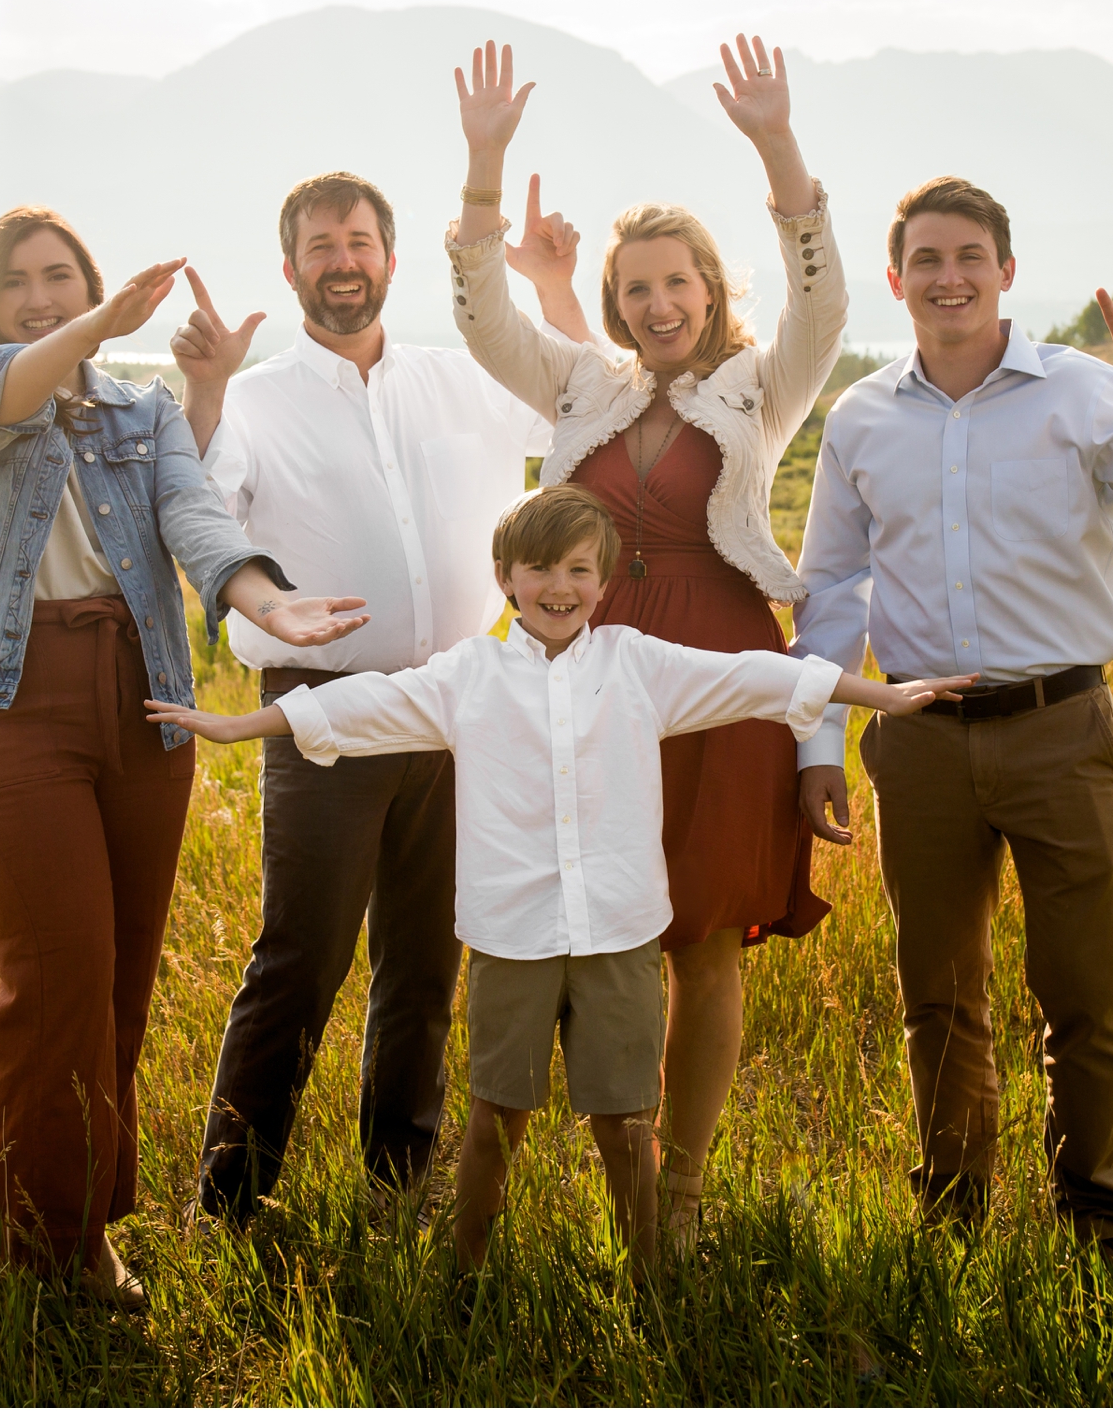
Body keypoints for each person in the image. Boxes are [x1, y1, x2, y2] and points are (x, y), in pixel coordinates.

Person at [144, 486, 973, 1271]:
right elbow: (361, 707)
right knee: (494, 1120)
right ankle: (466, 1281)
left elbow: (758, 678)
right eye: (539, 569)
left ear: (605, 584)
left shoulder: (640, 664)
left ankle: (649, 1279)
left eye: (580, 569)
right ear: (504, 579)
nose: (559, 586)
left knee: (623, 1122)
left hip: (619, 932)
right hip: (514, 938)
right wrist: (236, 724)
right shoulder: (468, 676)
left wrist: (881, 698)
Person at [0, 205, 368, 1305]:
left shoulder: (137, 412)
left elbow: (192, 515)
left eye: (62, 275)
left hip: (139, 698)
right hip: (2, 703)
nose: (41, 294)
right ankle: (38, 1246)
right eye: (18, 281)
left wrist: (263, 595)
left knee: (119, 977)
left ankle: (85, 1223)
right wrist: (98, 321)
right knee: (52, 969)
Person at [790, 176, 1113, 1267]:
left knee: (1086, 990)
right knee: (936, 995)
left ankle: (1097, 1218)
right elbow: (832, 589)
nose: (950, 277)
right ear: (897, 281)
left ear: (1005, 269)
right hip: (917, 733)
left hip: (1060, 726)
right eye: (928, 261)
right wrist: (816, 742)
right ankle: (951, 1214)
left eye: (971, 257)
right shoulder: (859, 416)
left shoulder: (1088, 393)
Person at [442, 36, 845, 1248]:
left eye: (680, 284)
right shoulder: (581, 386)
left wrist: (777, 144)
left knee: (705, 936)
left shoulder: (764, 387)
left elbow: (824, 297)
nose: (659, 306)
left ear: (714, 290)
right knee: (574, 913)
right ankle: (514, 1176)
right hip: (588, 670)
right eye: (636, 291)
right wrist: (482, 164)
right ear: (614, 305)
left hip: (717, 666)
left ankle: (678, 1188)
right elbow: (478, 313)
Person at [169, 172, 552, 1227]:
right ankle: (230, 1200)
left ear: (392, 257)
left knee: (427, 959)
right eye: (321, 244)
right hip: (326, 711)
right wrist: (204, 390)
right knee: (303, 954)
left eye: (362, 239)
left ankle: (398, 1185)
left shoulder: (460, 376)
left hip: (455, 705)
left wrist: (552, 286)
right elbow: (201, 499)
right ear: (290, 268)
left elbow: (577, 394)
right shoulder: (250, 399)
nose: (344, 258)